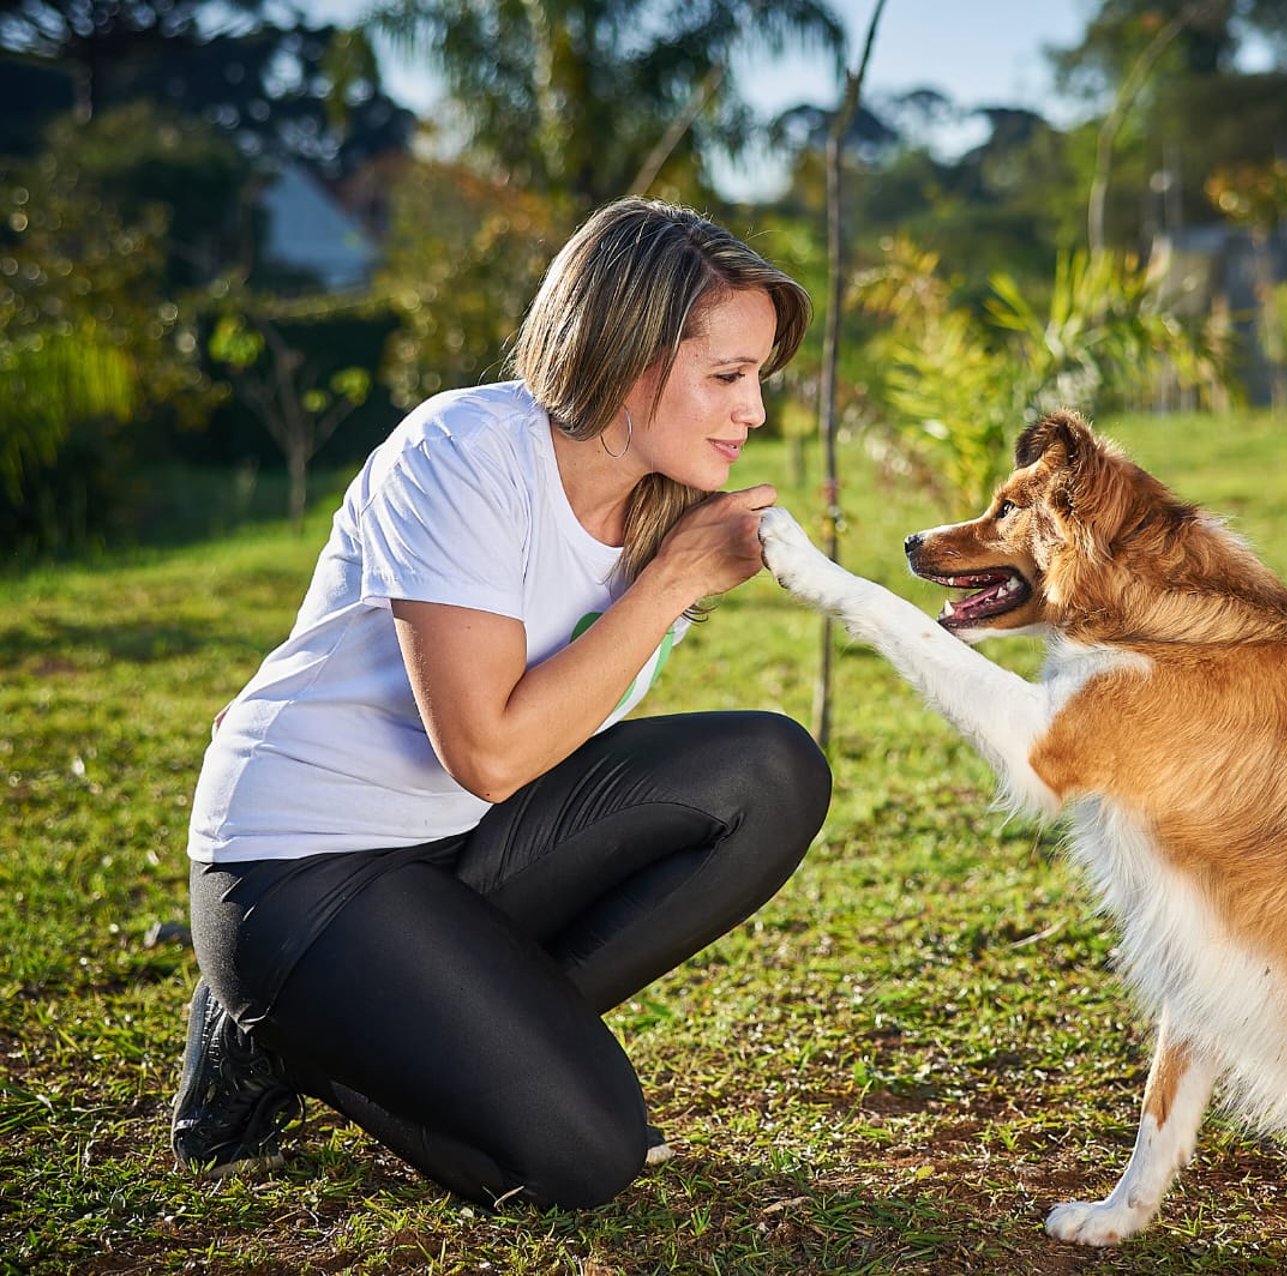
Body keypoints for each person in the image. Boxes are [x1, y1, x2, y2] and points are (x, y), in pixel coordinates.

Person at [170, 197, 831, 1211]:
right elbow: (485, 748)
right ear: (627, 351)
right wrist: (669, 587)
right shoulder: (466, 451)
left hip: (454, 855)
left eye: (758, 380)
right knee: (583, 1156)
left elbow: (552, 742)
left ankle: (442, 1033)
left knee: (773, 770)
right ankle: (271, 1034)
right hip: (298, 867)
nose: (754, 412)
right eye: (727, 377)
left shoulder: (658, 505)